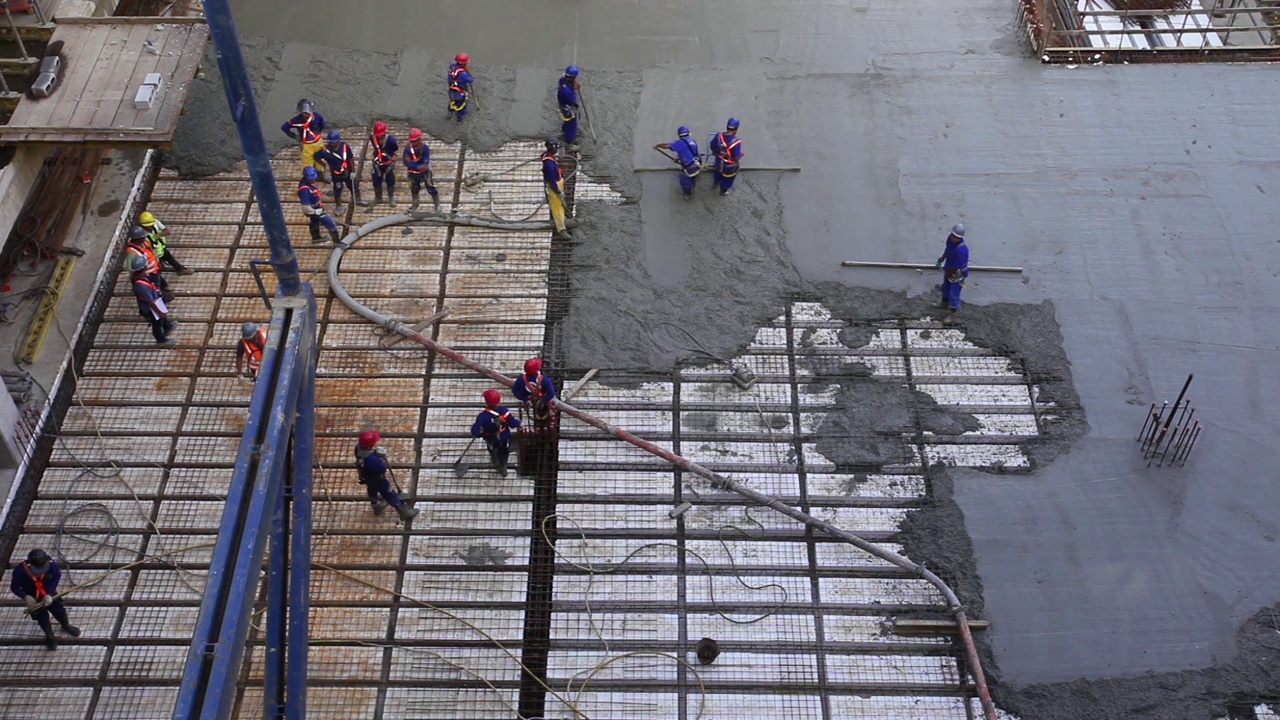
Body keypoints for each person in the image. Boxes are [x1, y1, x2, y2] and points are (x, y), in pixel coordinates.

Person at [9, 549, 80, 651]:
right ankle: (50, 636)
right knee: (42, 618)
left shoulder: (50, 563)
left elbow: (57, 576)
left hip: (49, 594)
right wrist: (25, 596)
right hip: (34, 598)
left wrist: (49, 593)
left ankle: (66, 625)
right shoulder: (20, 571)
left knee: (59, 610)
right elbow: (14, 587)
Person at [355, 430, 420, 521]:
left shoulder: (358, 449)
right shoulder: (371, 459)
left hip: (368, 476)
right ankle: (403, 511)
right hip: (378, 479)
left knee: (372, 489)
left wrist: (374, 453)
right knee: (389, 493)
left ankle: (375, 505)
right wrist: (381, 457)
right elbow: (382, 468)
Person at [471, 389, 521, 477]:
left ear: (486, 401)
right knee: (504, 450)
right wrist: (519, 423)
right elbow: (513, 424)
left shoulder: (482, 417)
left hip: (491, 439)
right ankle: (503, 465)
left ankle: (496, 461)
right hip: (504, 436)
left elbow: (475, 432)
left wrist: (481, 434)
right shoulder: (504, 411)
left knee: (492, 449)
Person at [131, 254, 176, 346]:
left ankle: (167, 326)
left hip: (155, 301)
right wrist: (159, 311)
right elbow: (150, 302)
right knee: (156, 323)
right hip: (150, 308)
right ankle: (161, 340)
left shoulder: (139, 277)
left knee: (161, 318)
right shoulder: (140, 285)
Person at [314, 129, 361, 208]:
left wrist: (353, 171)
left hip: (347, 172)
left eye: (335, 142)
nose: (333, 144)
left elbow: (350, 158)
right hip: (336, 175)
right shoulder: (325, 151)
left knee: (354, 186)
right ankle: (338, 206)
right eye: (332, 142)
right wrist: (323, 164)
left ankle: (358, 200)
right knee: (337, 190)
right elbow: (316, 157)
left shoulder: (345, 147)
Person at [654, 126, 701, 201]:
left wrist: (658, 146)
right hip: (696, 163)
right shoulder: (692, 141)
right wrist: (679, 158)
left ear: (679, 135)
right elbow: (688, 152)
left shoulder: (680, 143)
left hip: (689, 168)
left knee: (685, 181)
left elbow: (667, 146)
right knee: (694, 176)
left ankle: (688, 194)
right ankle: (694, 182)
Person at [139, 211, 192, 275]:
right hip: (151, 255)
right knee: (156, 269)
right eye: (147, 226)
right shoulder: (139, 233)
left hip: (160, 249)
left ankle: (180, 269)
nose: (149, 227)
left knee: (170, 258)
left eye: (150, 225)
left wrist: (159, 235)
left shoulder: (156, 222)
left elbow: (167, 231)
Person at [281, 98, 327, 172]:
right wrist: (295, 136)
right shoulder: (297, 120)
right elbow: (284, 127)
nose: (306, 114)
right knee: (307, 163)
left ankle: (321, 173)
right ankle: (310, 176)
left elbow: (323, 125)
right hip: (307, 145)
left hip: (318, 142)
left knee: (320, 159)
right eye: (304, 113)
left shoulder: (317, 117)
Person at [298, 166, 341, 244]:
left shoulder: (308, 183)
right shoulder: (304, 190)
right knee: (330, 222)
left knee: (314, 221)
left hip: (316, 206)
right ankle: (337, 243)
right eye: (311, 179)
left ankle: (316, 237)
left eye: (314, 178)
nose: (313, 180)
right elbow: (306, 208)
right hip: (313, 209)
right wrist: (316, 211)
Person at [402, 128, 441, 212]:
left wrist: (414, 165)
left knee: (431, 188)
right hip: (413, 174)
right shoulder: (408, 149)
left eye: (414, 141)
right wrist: (416, 167)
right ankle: (415, 203)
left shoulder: (425, 149)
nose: (412, 143)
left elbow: (424, 163)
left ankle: (437, 205)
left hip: (425, 173)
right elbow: (406, 162)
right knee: (414, 189)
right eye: (411, 141)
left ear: (419, 139)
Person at [935, 223, 970, 318]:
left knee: (954, 293)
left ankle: (953, 313)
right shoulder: (950, 240)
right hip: (948, 268)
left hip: (957, 274)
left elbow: (957, 266)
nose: (954, 239)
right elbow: (948, 249)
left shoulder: (962, 250)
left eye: (957, 238)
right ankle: (944, 304)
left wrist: (949, 273)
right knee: (946, 287)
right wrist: (942, 258)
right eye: (953, 236)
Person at [511, 356, 557, 427]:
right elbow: (551, 393)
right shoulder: (544, 379)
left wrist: (525, 399)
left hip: (529, 402)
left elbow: (515, 390)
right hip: (543, 403)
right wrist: (543, 400)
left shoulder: (521, 379)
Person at [125, 225, 169, 294]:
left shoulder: (144, 242)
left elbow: (151, 251)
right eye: (142, 238)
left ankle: (163, 289)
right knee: (154, 289)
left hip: (155, 269)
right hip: (148, 274)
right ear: (137, 239)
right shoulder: (132, 251)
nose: (144, 238)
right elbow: (131, 268)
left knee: (158, 282)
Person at [541, 138, 570, 239]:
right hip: (554, 186)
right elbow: (552, 182)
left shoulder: (547, 156)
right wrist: (558, 191)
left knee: (560, 204)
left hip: (557, 181)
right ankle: (561, 229)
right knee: (557, 208)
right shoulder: (549, 166)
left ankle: (564, 218)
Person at [709, 117, 744, 196]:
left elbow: (712, 146)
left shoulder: (718, 136)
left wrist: (717, 152)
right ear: (736, 129)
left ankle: (715, 183)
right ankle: (723, 191)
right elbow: (736, 157)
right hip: (729, 166)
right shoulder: (736, 142)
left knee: (718, 172)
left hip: (719, 161)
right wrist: (741, 154)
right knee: (728, 179)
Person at [368, 121, 399, 207]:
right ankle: (378, 197)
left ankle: (391, 197)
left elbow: (395, 149)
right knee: (376, 181)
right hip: (378, 163)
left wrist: (393, 157)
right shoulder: (372, 138)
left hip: (388, 163)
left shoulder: (391, 141)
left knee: (390, 180)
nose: (379, 136)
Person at [557, 65, 581, 150]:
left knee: (566, 121)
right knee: (571, 125)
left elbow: (569, 85)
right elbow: (573, 102)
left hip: (563, 106)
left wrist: (573, 84)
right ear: (570, 77)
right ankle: (569, 143)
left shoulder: (562, 81)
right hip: (568, 109)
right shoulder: (567, 92)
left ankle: (564, 130)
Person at [447, 53, 474, 122]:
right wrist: (467, 71)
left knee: (452, 101)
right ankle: (459, 118)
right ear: (464, 64)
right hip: (460, 93)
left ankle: (450, 112)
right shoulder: (463, 74)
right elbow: (470, 80)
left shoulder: (452, 66)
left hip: (451, 89)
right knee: (461, 105)